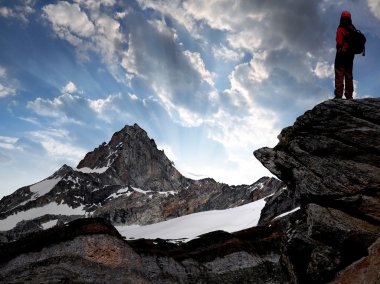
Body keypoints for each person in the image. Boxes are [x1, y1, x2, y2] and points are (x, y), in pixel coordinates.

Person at [334, 10, 355, 100]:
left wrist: (340, 48)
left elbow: (339, 41)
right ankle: (349, 96)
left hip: (341, 54)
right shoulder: (352, 29)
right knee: (348, 75)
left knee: (339, 74)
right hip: (350, 56)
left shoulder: (341, 28)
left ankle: (339, 95)